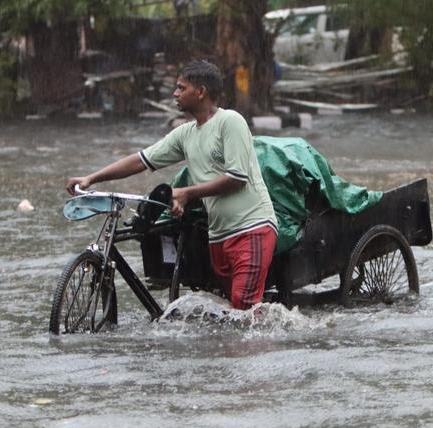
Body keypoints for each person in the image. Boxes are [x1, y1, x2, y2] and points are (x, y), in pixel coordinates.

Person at [66, 60, 278, 310]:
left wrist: (186, 192)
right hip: (219, 235)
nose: (175, 94)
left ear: (200, 92)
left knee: (244, 306)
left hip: (251, 227)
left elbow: (237, 178)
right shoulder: (185, 134)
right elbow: (140, 160)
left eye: (181, 88)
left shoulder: (229, 121)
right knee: (230, 310)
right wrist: (91, 178)